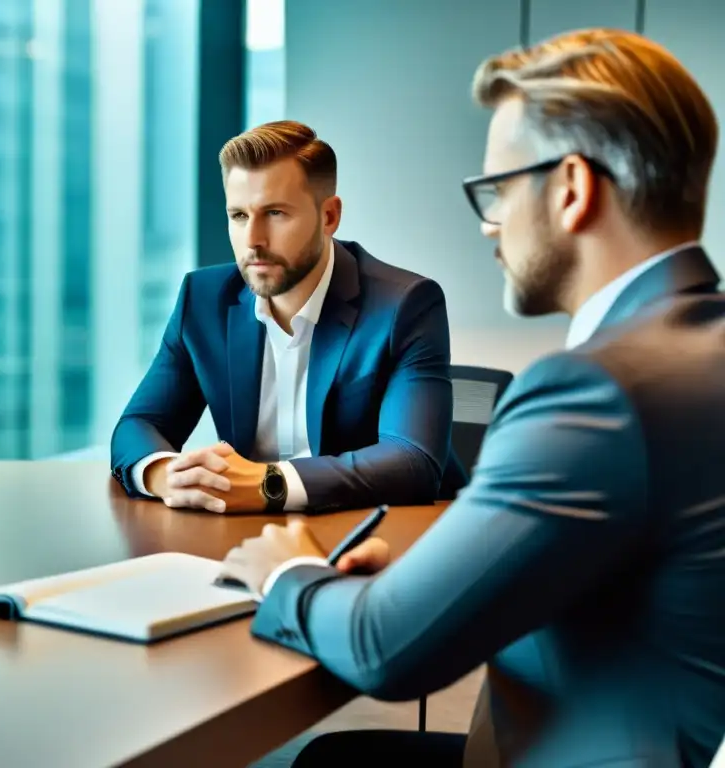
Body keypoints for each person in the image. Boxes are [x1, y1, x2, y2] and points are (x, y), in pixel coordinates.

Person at [221, 30, 725, 767]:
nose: (490, 223)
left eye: (496, 191)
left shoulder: (593, 391)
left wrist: (286, 571)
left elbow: (384, 652)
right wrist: (440, 579)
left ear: (572, 189)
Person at [111, 121, 466, 514]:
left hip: (381, 535)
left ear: (329, 216)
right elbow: (139, 424)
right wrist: (165, 475)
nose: (253, 240)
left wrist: (271, 485)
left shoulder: (405, 304)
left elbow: (412, 460)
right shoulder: (204, 300)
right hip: (249, 532)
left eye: (275, 213)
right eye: (239, 216)